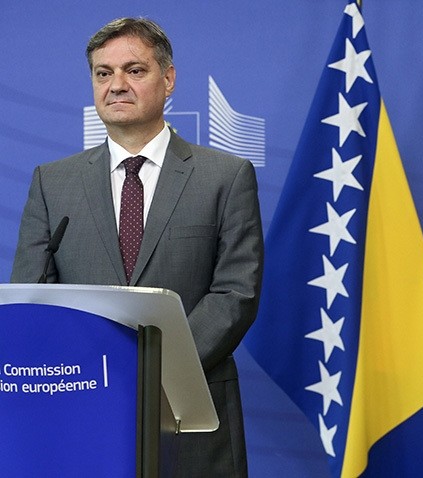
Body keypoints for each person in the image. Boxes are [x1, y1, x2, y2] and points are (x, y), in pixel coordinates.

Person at [11, 17, 263, 477]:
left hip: (191, 414)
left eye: (134, 70)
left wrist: (147, 372)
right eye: (103, 73)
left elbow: (235, 295)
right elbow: (33, 298)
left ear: (168, 80)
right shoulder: (53, 182)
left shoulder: (225, 177)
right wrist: (92, 375)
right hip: (81, 412)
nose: (116, 85)